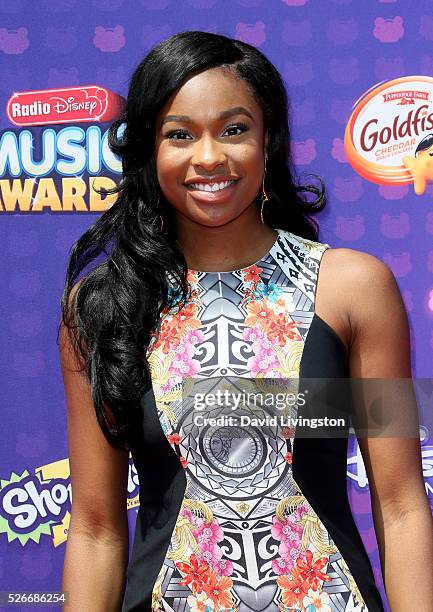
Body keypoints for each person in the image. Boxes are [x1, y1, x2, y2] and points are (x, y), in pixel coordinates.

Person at [58, 31, 433, 612]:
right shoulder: (105, 306)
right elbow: (95, 529)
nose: (209, 157)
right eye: (179, 134)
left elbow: (403, 504)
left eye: (234, 129)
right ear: (147, 152)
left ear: (269, 141)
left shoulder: (356, 288)